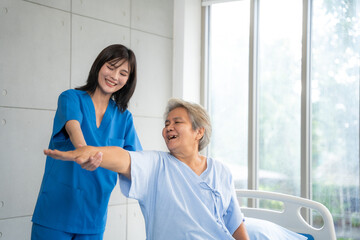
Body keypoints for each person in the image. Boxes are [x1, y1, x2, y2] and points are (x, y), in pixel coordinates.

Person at [44, 98, 250, 240]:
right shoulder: (156, 165)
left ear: (199, 132)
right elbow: (122, 158)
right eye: (166, 123)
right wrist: (87, 151)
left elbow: (234, 223)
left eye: (177, 122)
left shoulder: (221, 171)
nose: (168, 127)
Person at [31, 44, 142, 240]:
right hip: (55, 213)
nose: (115, 76)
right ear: (99, 66)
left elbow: (136, 164)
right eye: (111, 66)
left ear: (128, 80)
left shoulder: (124, 118)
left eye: (123, 73)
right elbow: (73, 126)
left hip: (93, 217)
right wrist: (83, 151)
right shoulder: (71, 98)